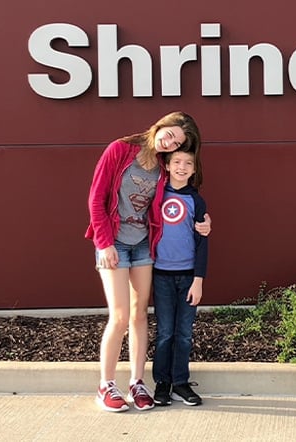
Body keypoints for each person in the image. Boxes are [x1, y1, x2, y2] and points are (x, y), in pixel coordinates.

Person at [85, 111, 210, 413]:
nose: (170, 142)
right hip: (114, 243)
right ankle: (106, 385)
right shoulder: (120, 150)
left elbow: (178, 197)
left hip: (143, 245)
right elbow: (96, 198)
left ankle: (138, 382)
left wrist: (202, 221)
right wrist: (103, 244)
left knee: (140, 314)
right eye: (171, 133)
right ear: (162, 123)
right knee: (120, 315)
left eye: (177, 142)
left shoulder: (164, 169)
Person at [152, 150, 208, 407]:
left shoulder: (197, 202)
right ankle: (162, 383)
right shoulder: (156, 196)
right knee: (165, 333)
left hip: (187, 276)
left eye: (188, 163)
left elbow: (202, 243)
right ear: (167, 165)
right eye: (177, 162)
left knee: (183, 333)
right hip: (161, 275)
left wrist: (199, 279)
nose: (182, 167)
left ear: (194, 169)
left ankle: (181, 383)